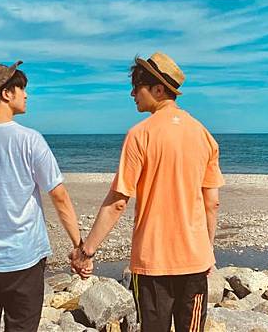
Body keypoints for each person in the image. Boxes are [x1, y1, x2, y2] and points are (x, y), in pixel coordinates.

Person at [70, 52, 224, 332]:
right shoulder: (204, 135)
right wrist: (207, 250)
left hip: (152, 260)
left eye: (136, 87)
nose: (132, 94)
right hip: (194, 259)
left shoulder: (140, 134)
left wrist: (87, 250)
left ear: (158, 89)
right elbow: (211, 203)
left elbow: (118, 201)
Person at [0, 61, 83, 332]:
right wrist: (79, 246)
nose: (26, 95)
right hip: (24, 261)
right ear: (6, 93)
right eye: (21, 88)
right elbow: (59, 196)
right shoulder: (29, 139)